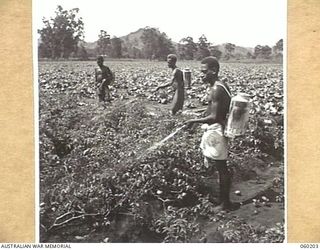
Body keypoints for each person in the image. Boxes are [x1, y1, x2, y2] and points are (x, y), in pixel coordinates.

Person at [184, 56, 240, 211]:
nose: (201, 75)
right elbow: (213, 108)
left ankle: (225, 204)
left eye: (204, 72)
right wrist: (197, 113)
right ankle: (222, 199)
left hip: (217, 129)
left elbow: (215, 116)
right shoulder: (220, 85)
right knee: (218, 164)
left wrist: (194, 122)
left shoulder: (216, 89)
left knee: (222, 167)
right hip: (217, 128)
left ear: (214, 70)